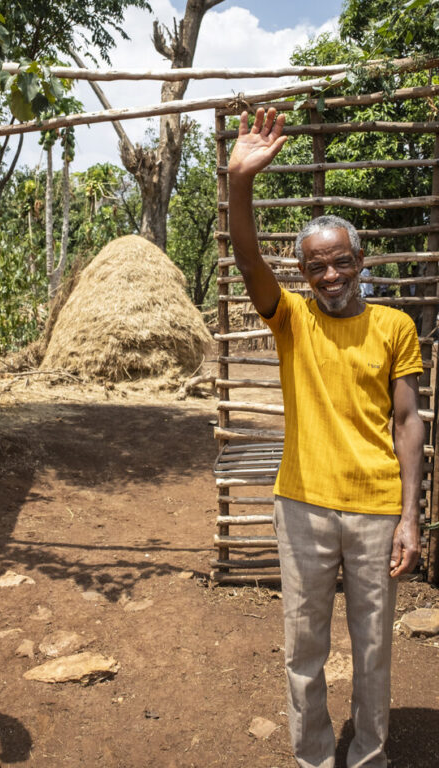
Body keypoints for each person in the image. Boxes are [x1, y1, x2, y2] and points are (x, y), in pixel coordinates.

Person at [227, 108, 423, 768]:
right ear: (303, 273)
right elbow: (248, 256)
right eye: (316, 267)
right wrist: (239, 184)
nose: (330, 276)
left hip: (374, 510)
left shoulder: (395, 326)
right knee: (302, 647)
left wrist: (410, 519)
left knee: (372, 649)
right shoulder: (290, 320)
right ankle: (313, 757)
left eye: (341, 262)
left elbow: (407, 423)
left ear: (361, 261)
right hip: (303, 506)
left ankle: (368, 756)